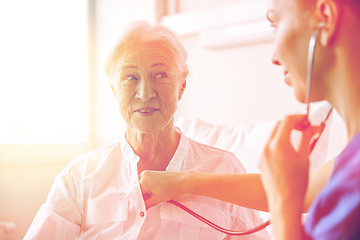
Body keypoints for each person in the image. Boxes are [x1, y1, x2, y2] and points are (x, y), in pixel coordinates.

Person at [24, 21, 269, 240]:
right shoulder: (79, 178)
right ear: (113, 89)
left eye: (160, 75)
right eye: (130, 77)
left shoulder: (224, 169)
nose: (145, 93)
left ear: (181, 87)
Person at [140, 0, 360, 239]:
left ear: (325, 18)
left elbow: (291, 196)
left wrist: (285, 206)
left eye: (276, 24)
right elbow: (305, 190)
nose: (274, 57)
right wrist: (183, 181)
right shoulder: (350, 163)